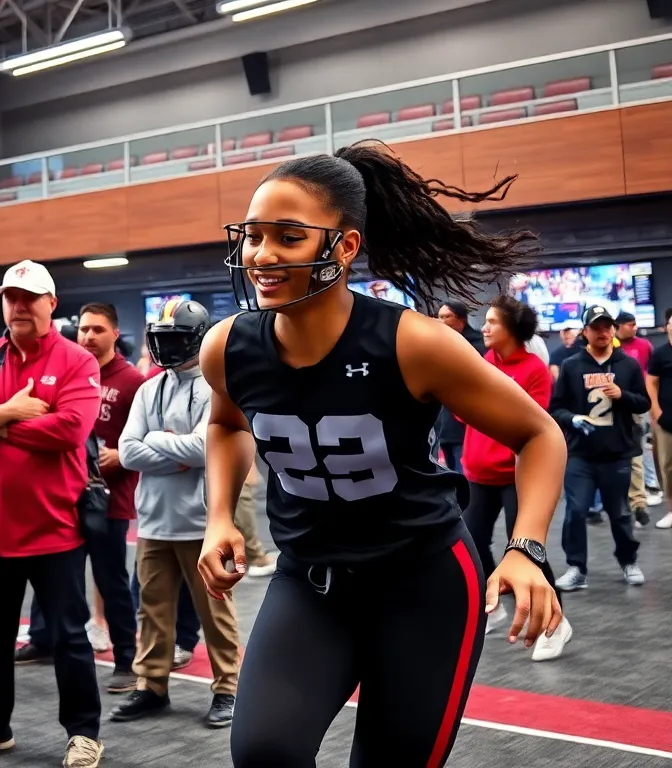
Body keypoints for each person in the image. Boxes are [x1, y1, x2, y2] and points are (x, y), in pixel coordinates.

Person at [198, 141, 567, 767]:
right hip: (310, 580)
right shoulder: (228, 346)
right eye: (254, 236)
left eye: (287, 237)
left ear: (343, 247)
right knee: (264, 753)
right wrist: (219, 516)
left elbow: (539, 435)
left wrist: (526, 547)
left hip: (423, 584)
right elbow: (226, 425)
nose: (261, 255)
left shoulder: (415, 343)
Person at [0, 259, 105, 768]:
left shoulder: (77, 360)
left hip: (56, 531)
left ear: (51, 304)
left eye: (29, 298)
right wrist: (7, 414)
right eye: (11, 297)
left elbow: (71, 430)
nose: (19, 306)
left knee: (71, 638)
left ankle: (83, 733)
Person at [113, 298, 241, 729]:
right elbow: (129, 453)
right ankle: (151, 686)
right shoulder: (150, 388)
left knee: (215, 610)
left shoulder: (216, 387)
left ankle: (228, 689)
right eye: (162, 339)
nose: (167, 348)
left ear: (199, 340)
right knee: (151, 609)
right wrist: (176, 448)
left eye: (177, 339)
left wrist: (158, 441)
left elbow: (208, 447)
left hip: (203, 523)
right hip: (153, 520)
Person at [21, 302, 141, 695]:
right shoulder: (69, 369)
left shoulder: (131, 381)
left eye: (98, 330)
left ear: (114, 334)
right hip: (63, 493)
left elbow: (142, 435)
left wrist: (123, 455)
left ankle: (126, 659)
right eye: (84, 329)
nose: (88, 336)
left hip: (109, 496)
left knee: (111, 580)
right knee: (53, 573)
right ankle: (42, 639)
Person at [461, 294, 570, 661]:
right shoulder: (482, 363)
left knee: (525, 549)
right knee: (472, 544)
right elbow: (465, 415)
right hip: (478, 473)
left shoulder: (534, 370)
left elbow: (531, 426)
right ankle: (497, 604)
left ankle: (557, 622)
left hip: (514, 475)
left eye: (492, 322)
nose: (485, 328)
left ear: (512, 330)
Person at [550, 305, 648, 592]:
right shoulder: (571, 365)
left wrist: (622, 395)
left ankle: (628, 560)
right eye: (597, 327)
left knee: (619, 513)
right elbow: (556, 408)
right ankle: (576, 567)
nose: (603, 331)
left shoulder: (627, 365)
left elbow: (644, 403)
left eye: (608, 326)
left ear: (614, 330)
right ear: (585, 332)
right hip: (580, 454)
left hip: (617, 453)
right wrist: (574, 418)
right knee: (576, 510)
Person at [613, 310, 661, 524]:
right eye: (630, 324)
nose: (634, 327)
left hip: (635, 404)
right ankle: (616, 501)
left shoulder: (644, 345)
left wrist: (653, 405)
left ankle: (639, 501)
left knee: (637, 452)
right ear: (619, 326)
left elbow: (652, 376)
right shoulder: (610, 345)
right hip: (609, 407)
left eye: (635, 324)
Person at [434, 300, 486, 472]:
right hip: (444, 425)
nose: (441, 321)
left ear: (461, 320)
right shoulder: (438, 345)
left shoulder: (478, 346)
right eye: (439, 317)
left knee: (464, 476)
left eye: (447, 317)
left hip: (466, 424)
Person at [645, 308, 672, 529]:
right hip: (667, 419)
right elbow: (651, 383)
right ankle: (671, 511)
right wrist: (656, 411)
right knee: (668, 466)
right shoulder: (660, 354)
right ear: (667, 327)